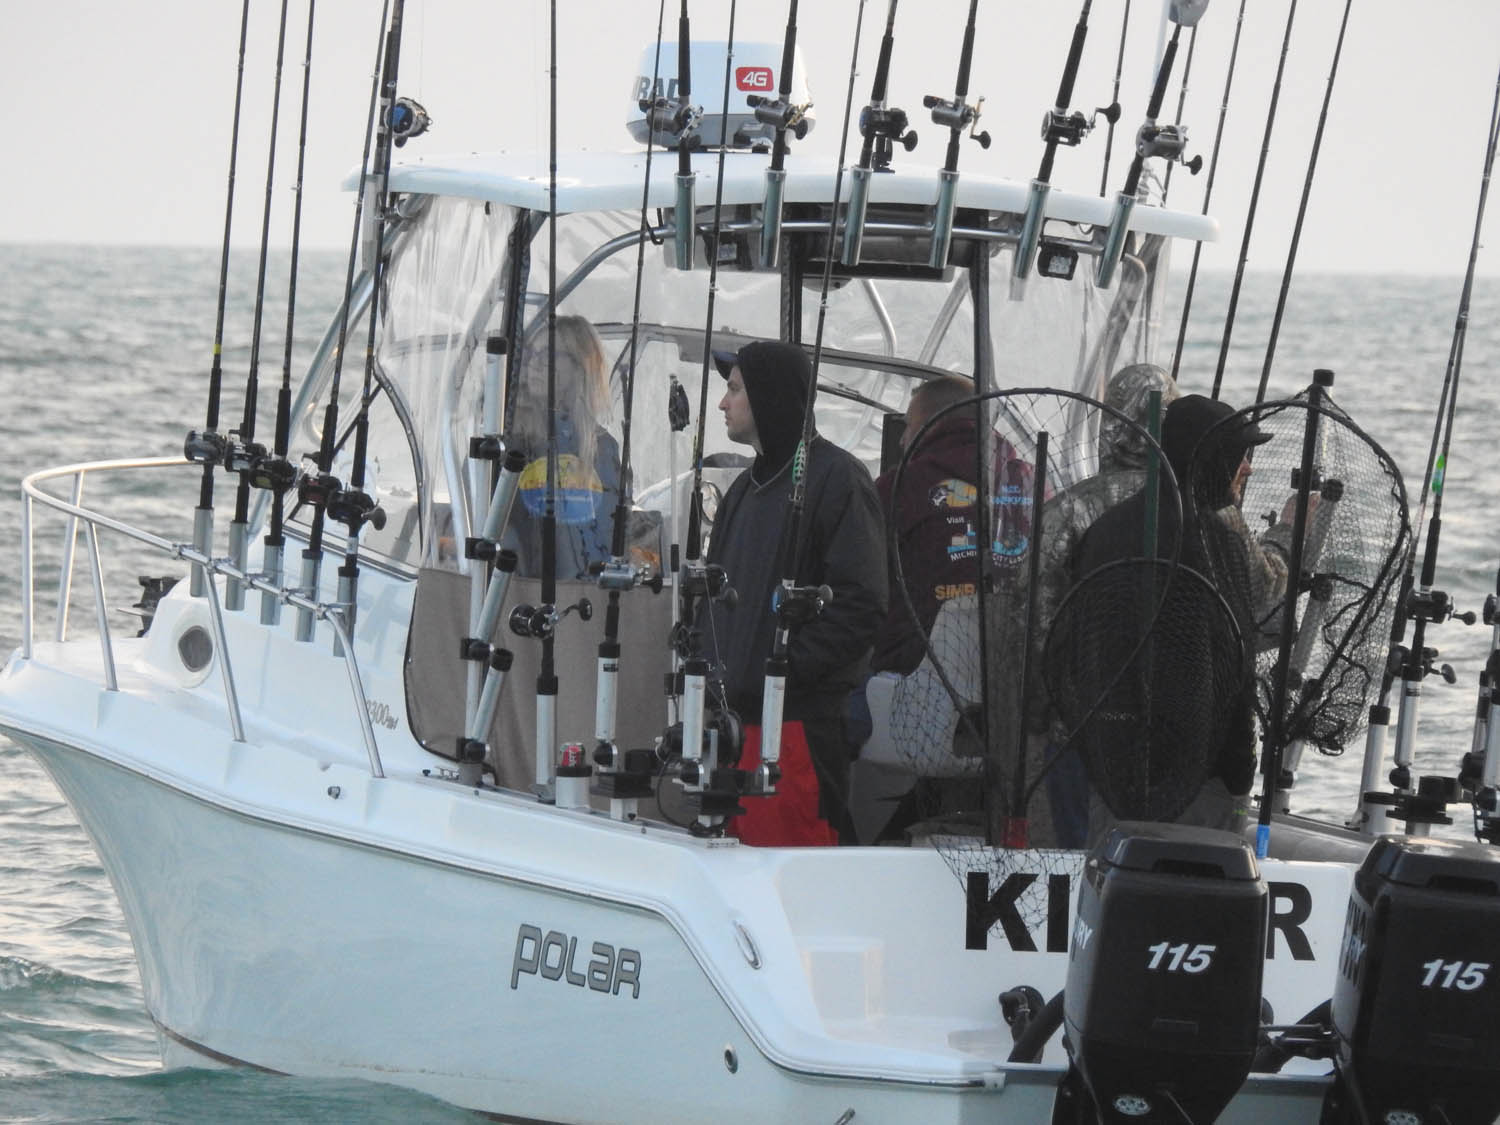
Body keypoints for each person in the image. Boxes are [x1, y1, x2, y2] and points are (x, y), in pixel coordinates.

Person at [1068, 393, 1283, 836]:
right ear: (1212, 459)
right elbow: (1235, 666)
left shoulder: (1104, 531)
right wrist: (1240, 774)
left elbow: (1074, 651)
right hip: (1201, 782)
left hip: (1112, 774)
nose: (1247, 468)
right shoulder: (1216, 541)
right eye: (1240, 456)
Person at [703, 340, 887, 846]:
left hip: (798, 734)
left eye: (734, 390)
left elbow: (862, 603)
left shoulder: (839, 479)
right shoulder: (742, 490)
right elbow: (715, 596)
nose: (722, 403)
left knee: (792, 875)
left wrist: (785, 672)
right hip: (733, 731)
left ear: (769, 396)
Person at [1021, 363, 1181, 845]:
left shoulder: (1069, 509)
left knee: (1076, 850)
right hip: (1172, 723)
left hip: (1079, 719)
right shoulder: (1193, 509)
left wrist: (1041, 707)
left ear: (1111, 420)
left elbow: (1035, 617)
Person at [870, 374, 985, 676]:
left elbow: (860, 575)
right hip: (1006, 672)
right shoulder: (1027, 478)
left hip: (908, 668)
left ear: (930, 424)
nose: (901, 439)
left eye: (908, 425)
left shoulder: (898, 487)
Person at [506, 316, 622, 578]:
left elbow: (610, 534)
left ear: (580, 367)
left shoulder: (604, 449)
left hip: (585, 592)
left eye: (548, 355)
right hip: (519, 590)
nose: (535, 364)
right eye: (532, 354)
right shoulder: (513, 442)